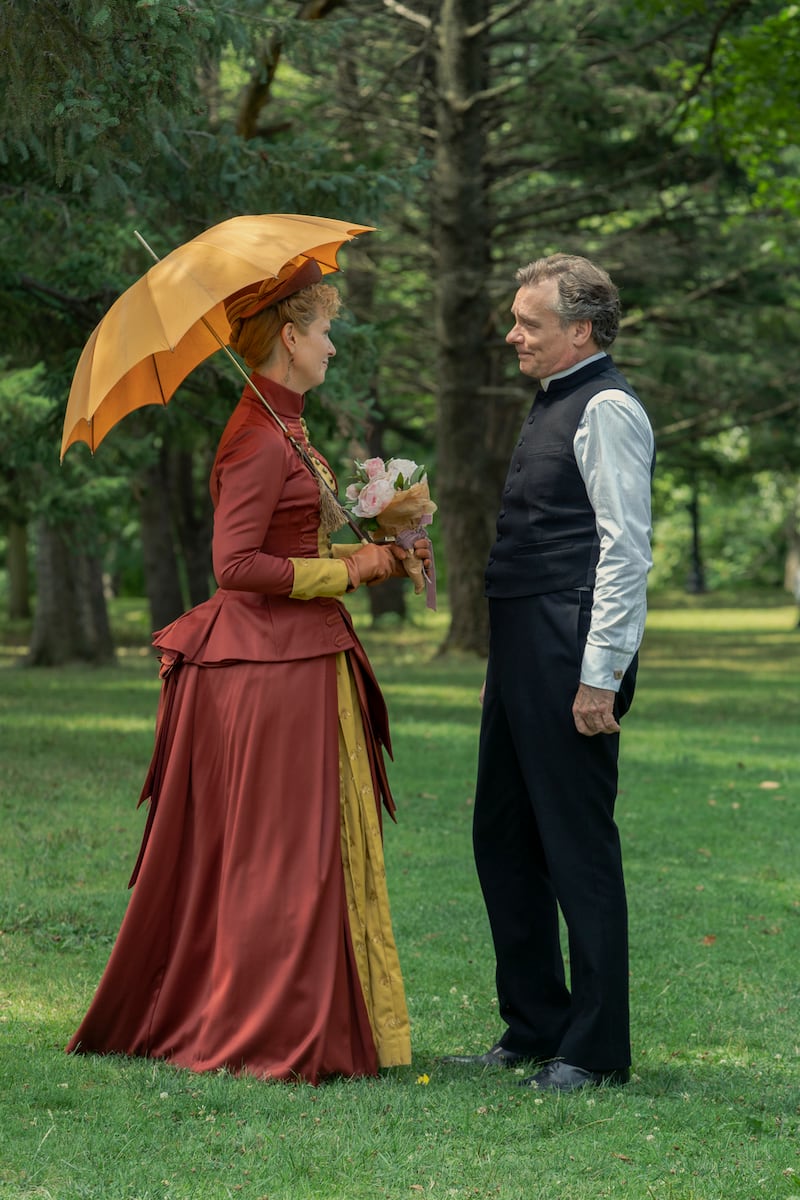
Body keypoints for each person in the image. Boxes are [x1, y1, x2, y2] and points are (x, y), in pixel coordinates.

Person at [67, 257, 428, 1085]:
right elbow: (236, 566)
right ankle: (270, 1021)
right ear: (291, 338)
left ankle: (332, 1018)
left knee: (309, 848)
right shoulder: (257, 436)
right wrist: (361, 571)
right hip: (267, 670)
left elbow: (292, 545)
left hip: (301, 659)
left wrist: (381, 550)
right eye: (326, 331)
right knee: (280, 852)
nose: (333, 346)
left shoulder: (286, 426)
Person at [443, 253, 654, 1092]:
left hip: (574, 652)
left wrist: (599, 674)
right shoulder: (551, 402)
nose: (513, 334)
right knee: (502, 837)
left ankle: (596, 1049)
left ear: (581, 328)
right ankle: (533, 1025)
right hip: (524, 651)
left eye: (529, 322)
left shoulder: (605, 406)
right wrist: (505, 669)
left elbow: (624, 549)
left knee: (577, 849)